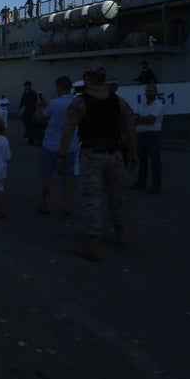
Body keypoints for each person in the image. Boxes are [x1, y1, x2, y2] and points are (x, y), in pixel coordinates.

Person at [57, 65, 136, 261]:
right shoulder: (118, 101)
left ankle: (93, 244)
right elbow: (131, 125)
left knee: (91, 198)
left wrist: (61, 154)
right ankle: (121, 233)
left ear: (88, 81)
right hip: (115, 154)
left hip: (91, 154)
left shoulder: (80, 102)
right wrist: (133, 152)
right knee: (118, 195)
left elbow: (68, 129)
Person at [36, 76, 78, 217]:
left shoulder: (54, 103)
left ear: (59, 87)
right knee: (68, 177)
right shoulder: (76, 103)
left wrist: (40, 105)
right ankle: (69, 206)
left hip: (51, 145)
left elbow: (40, 119)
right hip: (70, 146)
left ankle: (46, 205)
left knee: (47, 176)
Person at [131, 83, 165, 195]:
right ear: (145, 93)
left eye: (152, 91)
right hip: (141, 135)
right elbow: (134, 119)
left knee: (155, 161)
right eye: (148, 91)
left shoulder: (158, 105)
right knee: (142, 161)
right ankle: (141, 183)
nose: (150, 93)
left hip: (153, 135)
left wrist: (140, 119)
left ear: (156, 93)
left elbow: (151, 120)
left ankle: (156, 186)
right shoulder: (140, 105)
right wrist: (143, 119)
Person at [19, 81, 39, 145]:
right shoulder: (25, 93)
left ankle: (32, 138)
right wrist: (20, 107)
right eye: (24, 85)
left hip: (31, 111)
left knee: (31, 125)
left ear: (29, 86)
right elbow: (23, 100)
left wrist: (35, 110)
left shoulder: (33, 93)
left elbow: (36, 102)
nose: (25, 86)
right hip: (26, 111)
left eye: (26, 85)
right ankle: (29, 135)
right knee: (26, 123)